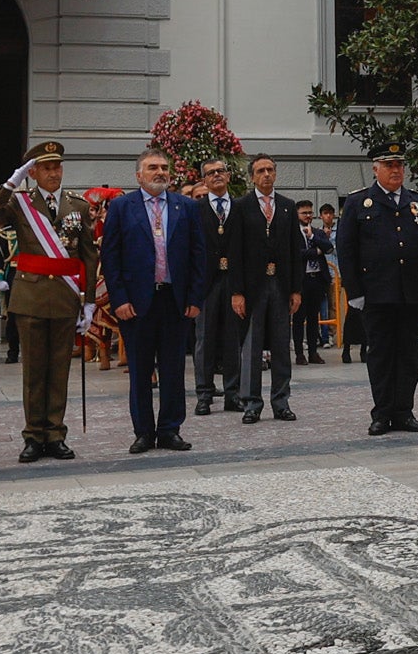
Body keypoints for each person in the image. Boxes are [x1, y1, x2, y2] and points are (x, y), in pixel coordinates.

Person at [0, 140, 97, 463]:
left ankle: (55, 435)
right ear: (34, 172)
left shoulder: (77, 205)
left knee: (59, 370)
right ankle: (33, 435)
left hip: (66, 298)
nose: (54, 174)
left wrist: (90, 301)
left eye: (57, 167)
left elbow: (88, 256)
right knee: (34, 372)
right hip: (31, 299)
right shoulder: (19, 203)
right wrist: (11, 182)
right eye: (46, 168)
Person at [103, 147, 207, 453]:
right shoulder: (122, 207)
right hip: (136, 304)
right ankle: (144, 432)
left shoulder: (185, 207)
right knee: (139, 369)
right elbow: (111, 257)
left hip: (175, 301)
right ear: (139, 175)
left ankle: (170, 429)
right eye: (152, 167)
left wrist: (195, 297)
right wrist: (119, 298)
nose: (160, 172)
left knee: (174, 369)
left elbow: (198, 255)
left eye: (163, 167)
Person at [341, 143, 418, 433]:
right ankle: (382, 413)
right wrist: (354, 291)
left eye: (399, 165)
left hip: (411, 293)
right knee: (381, 354)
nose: (395, 170)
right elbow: (346, 250)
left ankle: (404, 411)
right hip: (376, 293)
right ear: (376, 168)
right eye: (389, 165)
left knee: (409, 354)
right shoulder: (359, 203)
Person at [229, 154, 307, 422]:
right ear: (252, 176)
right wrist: (236, 291)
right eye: (261, 171)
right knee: (252, 346)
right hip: (253, 286)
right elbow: (235, 251)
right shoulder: (241, 207)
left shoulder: (287, 206)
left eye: (270, 170)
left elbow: (296, 251)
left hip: (281, 285)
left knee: (281, 345)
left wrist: (296, 289)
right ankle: (251, 403)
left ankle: (281, 401)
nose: (266, 175)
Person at [190, 157, 246, 414]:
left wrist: (240, 289)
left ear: (228, 175)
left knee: (232, 339)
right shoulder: (196, 209)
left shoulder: (240, 207)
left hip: (233, 282)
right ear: (204, 180)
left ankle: (232, 393)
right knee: (205, 339)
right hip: (206, 283)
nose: (216, 175)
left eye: (221, 171)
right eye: (211, 173)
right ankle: (204, 393)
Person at [298, 203, 337, 363]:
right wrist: (315, 251)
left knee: (314, 317)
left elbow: (329, 248)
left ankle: (314, 352)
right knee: (299, 318)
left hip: (318, 279)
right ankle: (300, 353)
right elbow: (296, 254)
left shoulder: (318, 232)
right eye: (303, 213)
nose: (307, 215)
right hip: (301, 280)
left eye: (310, 212)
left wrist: (313, 238)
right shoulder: (293, 233)